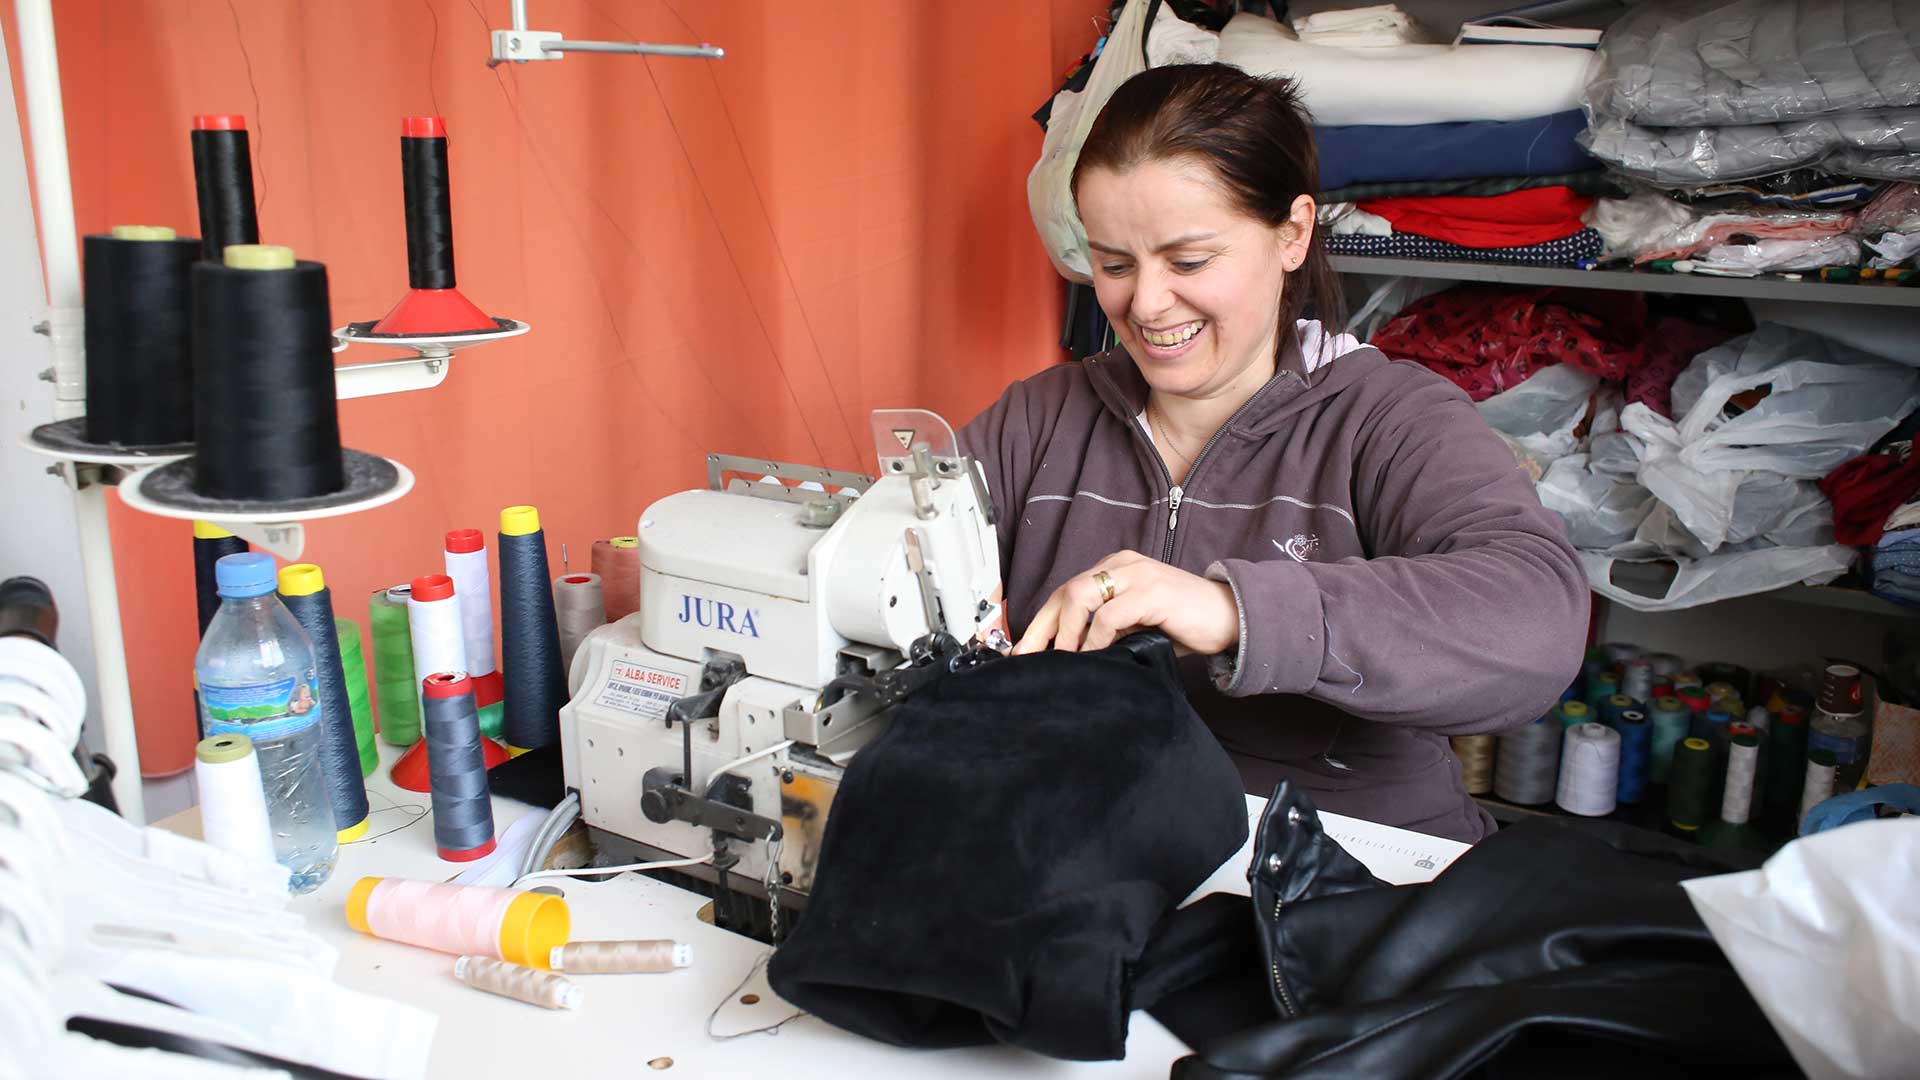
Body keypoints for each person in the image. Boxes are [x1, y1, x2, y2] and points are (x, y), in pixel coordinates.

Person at [958, 64, 1588, 842]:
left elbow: (1536, 624)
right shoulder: (1038, 422)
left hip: (1352, 871)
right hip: (1104, 853)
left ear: (1292, 234)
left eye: (1188, 262)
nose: (1145, 303)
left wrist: (1235, 610)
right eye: (1114, 264)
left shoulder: (1387, 421)